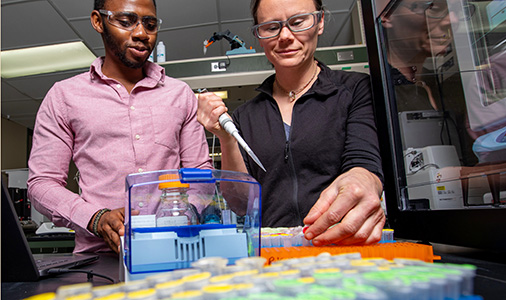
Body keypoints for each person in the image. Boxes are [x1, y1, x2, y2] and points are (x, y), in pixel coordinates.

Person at [27, 0, 212, 253]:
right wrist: (96, 218)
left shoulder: (180, 94)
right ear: (97, 21)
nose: (141, 34)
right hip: (99, 257)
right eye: (126, 22)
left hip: (176, 250)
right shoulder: (64, 96)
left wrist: (180, 215)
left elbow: (200, 172)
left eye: (150, 24)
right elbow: (42, 184)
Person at [198, 0, 385, 246]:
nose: (285, 36)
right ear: (258, 35)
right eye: (270, 27)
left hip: (343, 244)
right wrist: (226, 138)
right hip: (275, 252)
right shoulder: (245, 115)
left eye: (297, 22)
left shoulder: (355, 89)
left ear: (319, 22)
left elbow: (363, 164)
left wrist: (362, 181)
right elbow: (241, 205)